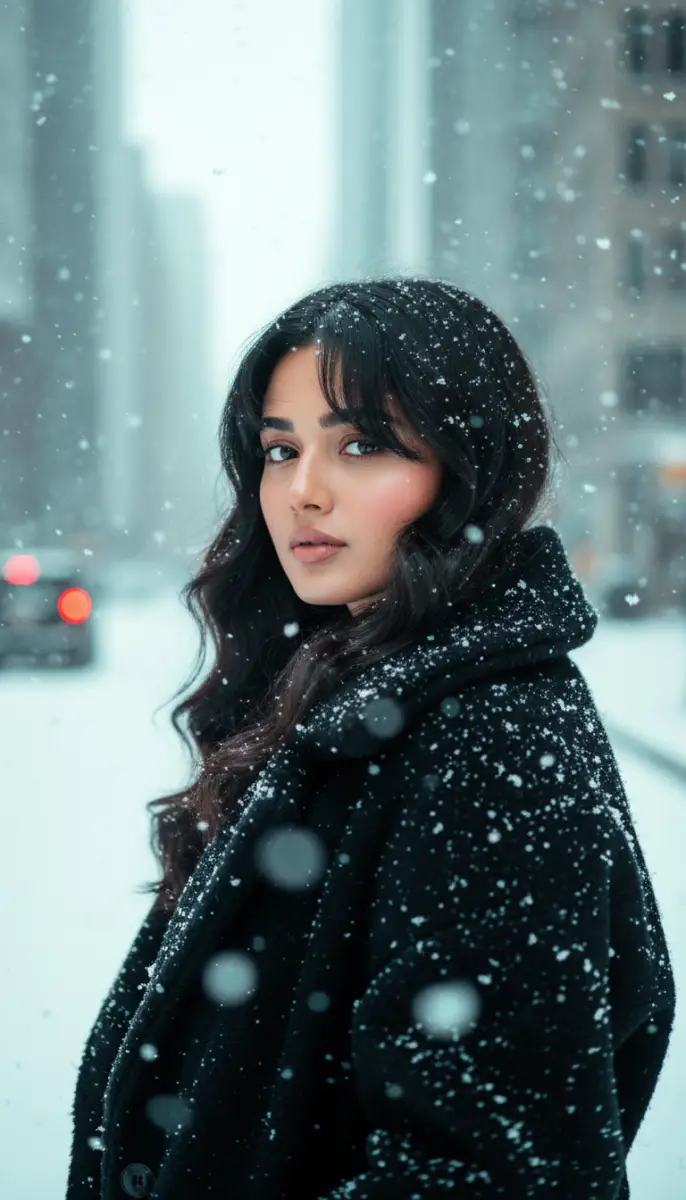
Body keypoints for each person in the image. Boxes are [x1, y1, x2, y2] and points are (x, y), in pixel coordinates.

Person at [66, 278, 675, 1200]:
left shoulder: (490, 740)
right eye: (280, 450)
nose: (302, 492)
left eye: (361, 445)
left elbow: (488, 1177)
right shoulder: (340, 689)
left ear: (469, 469)